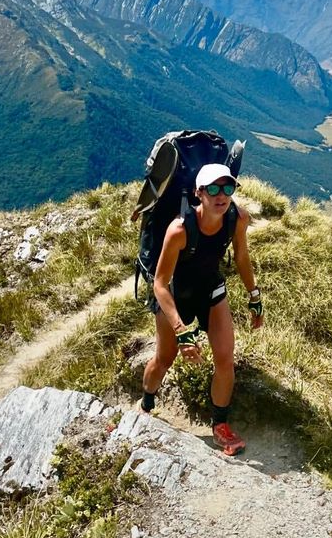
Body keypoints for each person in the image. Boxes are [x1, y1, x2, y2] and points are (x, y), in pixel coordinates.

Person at [140, 163, 263, 455]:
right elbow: (159, 284)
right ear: (199, 193)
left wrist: (254, 296)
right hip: (176, 297)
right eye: (213, 189)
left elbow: (242, 258)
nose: (221, 196)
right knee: (164, 358)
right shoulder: (179, 229)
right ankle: (145, 406)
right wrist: (182, 331)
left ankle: (220, 426)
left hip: (211, 291)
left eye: (228, 188)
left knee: (225, 359)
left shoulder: (237, 218)